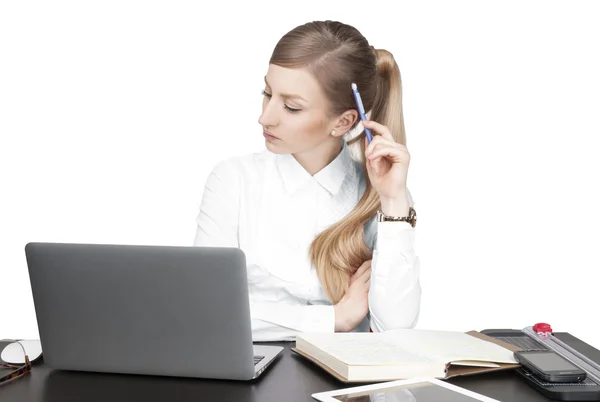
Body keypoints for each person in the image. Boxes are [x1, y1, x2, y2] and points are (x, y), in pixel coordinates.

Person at [193, 20, 421, 342]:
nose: (265, 117)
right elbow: (205, 310)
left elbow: (396, 329)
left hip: (344, 385)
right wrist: (335, 318)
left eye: (290, 106)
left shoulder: (380, 195)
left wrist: (394, 202)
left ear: (343, 122)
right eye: (267, 93)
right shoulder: (234, 181)